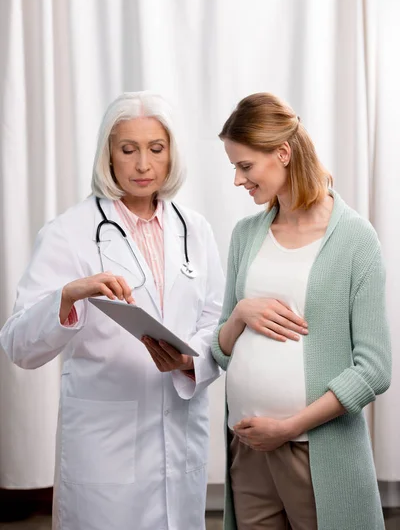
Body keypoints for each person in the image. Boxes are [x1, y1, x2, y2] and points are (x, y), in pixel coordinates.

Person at [0, 91, 225, 530]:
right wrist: (67, 297)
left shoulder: (194, 229)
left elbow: (216, 320)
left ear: (171, 155)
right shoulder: (69, 232)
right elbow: (18, 345)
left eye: (156, 149)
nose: (143, 164)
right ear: (108, 154)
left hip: (180, 432)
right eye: (128, 150)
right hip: (105, 445)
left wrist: (190, 360)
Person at [211, 92, 391, 530]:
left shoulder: (354, 239)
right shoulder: (245, 235)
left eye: (245, 165)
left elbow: (374, 369)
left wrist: (289, 427)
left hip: (314, 451)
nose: (238, 180)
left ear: (283, 153)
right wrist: (240, 316)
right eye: (234, 167)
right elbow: (220, 350)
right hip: (248, 450)